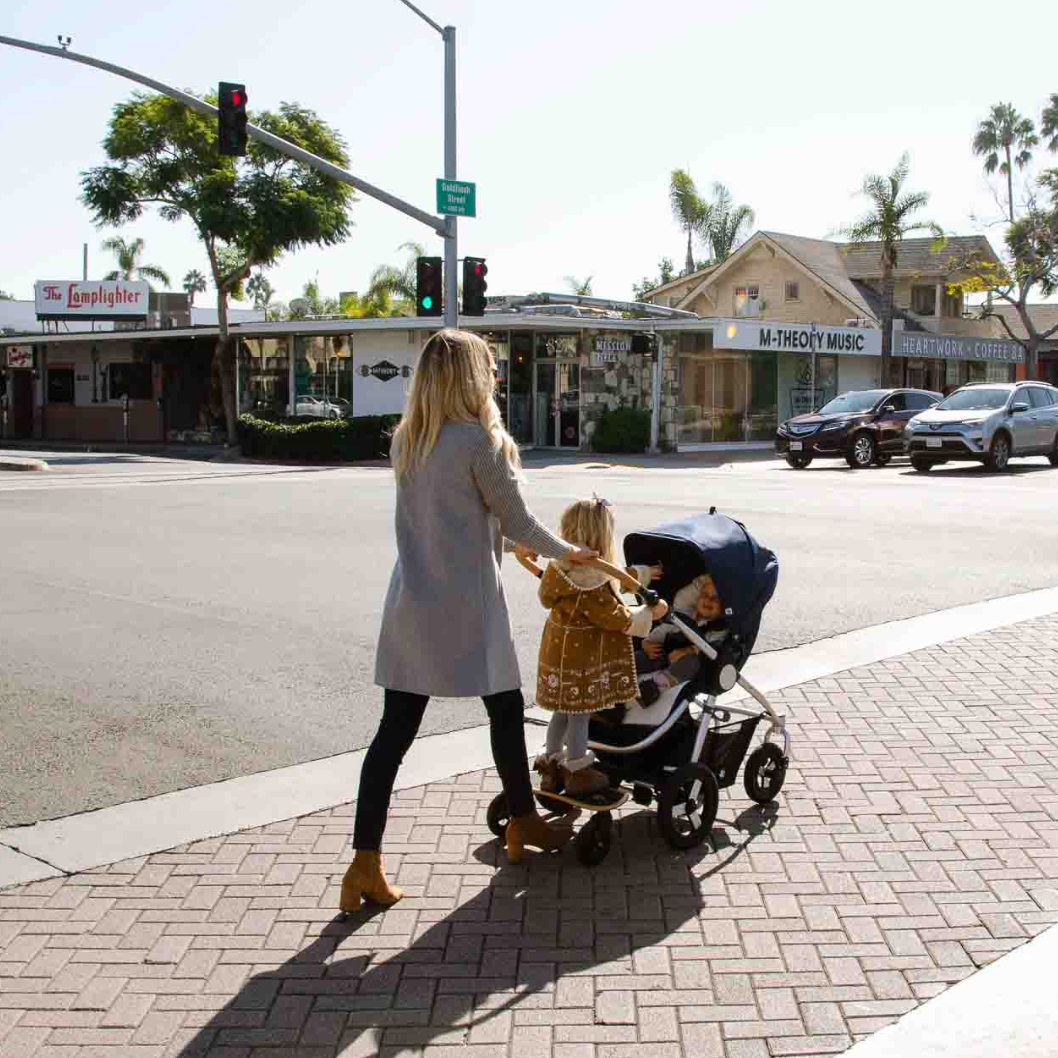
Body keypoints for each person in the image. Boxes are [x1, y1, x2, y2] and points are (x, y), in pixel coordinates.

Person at [340, 330, 595, 913]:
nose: (495, 378)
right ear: (471, 378)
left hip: (412, 602)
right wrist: (568, 553)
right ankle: (524, 821)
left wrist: (509, 544)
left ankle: (364, 863)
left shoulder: (410, 440)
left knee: (392, 737)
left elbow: (452, 521)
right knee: (505, 712)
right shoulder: (479, 442)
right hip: (469, 606)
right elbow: (519, 520)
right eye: (488, 368)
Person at [533, 497, 668, 797]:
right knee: (580, 714)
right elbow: (615, 617)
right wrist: (649, 613)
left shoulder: (560, 568)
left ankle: (550, 766)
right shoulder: (590, 583)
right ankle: (577, 770)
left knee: (562, 711)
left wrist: (643, 573)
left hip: (557, 655)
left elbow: (616, 575)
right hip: (582, 659)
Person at [636, 574, 728, 705]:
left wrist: (688, 650)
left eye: (716, 598)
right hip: (664, 654)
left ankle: (655, 687)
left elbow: (714, 645)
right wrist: (647, 642)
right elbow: (664, 630)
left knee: (690, 663)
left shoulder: (718, 627)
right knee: (642, 656)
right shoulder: (685, 614)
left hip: (688, 665)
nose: (708, 600)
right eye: (704, 595)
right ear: (697, 599)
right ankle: (619, 673)